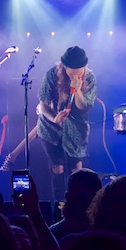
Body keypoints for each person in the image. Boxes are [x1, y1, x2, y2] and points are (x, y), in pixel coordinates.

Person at [36, 46, 96, 200]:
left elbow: (84, 106)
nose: (74, 77)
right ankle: (59, 208)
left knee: (77, 169)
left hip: (76, 129)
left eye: (79, 73)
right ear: (64, 67)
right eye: (71, 74)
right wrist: (55, 118)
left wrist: (78, 91)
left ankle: (78, 206)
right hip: (50, 128)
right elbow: (42, 105)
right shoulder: (52, 74)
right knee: (58, 167)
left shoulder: (89, 78)